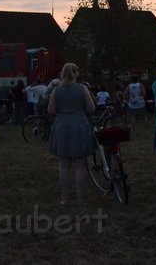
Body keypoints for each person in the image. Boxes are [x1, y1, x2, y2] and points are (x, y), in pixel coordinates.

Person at [47, 63, 95, 205]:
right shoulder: (83, 89)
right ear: (76, 74)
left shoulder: (56, 90)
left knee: (63, 165)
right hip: (79, 126)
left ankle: (64, 198)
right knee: (80, 164)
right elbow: (91, 108)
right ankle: (80, 198)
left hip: (62, 126)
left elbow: (50, 110)